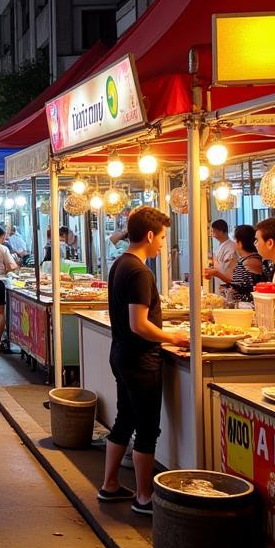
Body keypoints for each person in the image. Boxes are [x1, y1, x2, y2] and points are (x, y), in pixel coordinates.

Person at [98, 206, 183, 516]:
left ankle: (110, 484)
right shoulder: (140, 271)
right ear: (149, 235)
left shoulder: (120, 264)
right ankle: (145, 496)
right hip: (140, 361)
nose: (162, 243)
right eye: (161, 237)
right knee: (147, 429)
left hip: (121, 354)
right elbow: (139, 324)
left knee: (124, 419)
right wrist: (174, 338)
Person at [204, 224, 264, 300]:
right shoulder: (245, 259)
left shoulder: (251, 260)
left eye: (235, 239)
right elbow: (237, 282)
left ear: (240, 243)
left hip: (247, 305)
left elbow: (239, 284)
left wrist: (216, 273)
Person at [210, 219, 237, 292]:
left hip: (225, 282)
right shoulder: (220, 245)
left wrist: (215, 270)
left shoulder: (231, 246)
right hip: (219, 280)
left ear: (221, 231)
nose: (213, 234)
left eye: (214, 231)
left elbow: (228, 267)